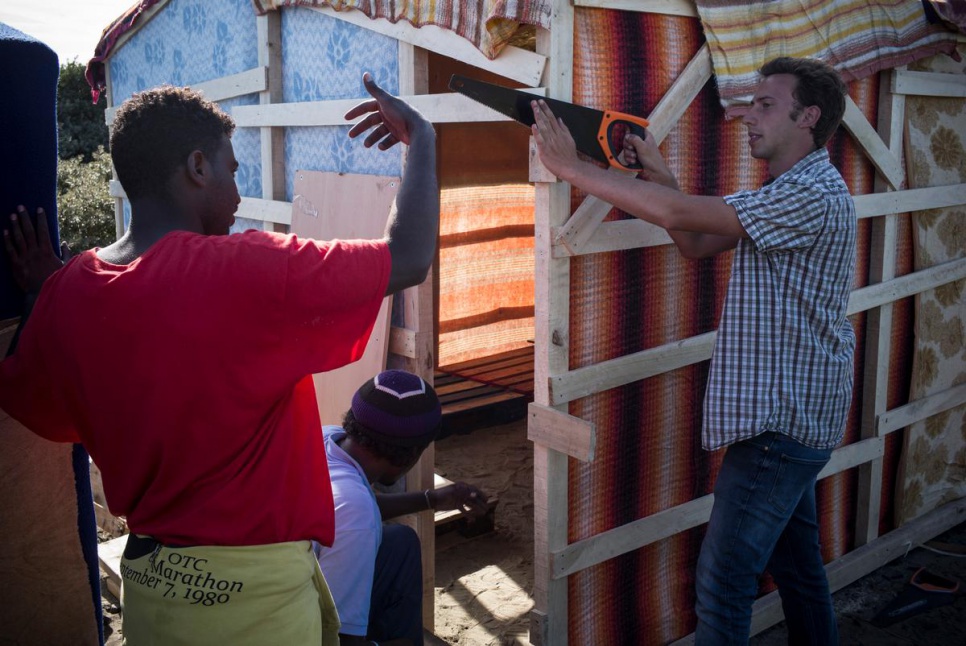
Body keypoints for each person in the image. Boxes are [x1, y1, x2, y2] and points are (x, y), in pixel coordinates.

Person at [0, 72, 439, 646]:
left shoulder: (72, 293)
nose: (237, 191)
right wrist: (423, 140)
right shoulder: (243, 272)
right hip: (255, 609)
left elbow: (42, 405)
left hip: (153, 597)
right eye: (233, 170)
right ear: (198, 167)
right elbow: (407, 258)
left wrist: (41, 296)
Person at [531, 57, 855, 644]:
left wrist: (568, 167)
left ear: (808, 117)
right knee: (798, 569)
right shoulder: (790, 189)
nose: (746, 117)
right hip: (798, 413)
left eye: (765, 105)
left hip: (780, 424)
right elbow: (698, 242)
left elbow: (684, 219)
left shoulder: (810, 195)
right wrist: (657, 174)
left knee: (723, 583)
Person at [318, 369, 488, 646]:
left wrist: (432, 499)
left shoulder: (328, 439)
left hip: (271, 591)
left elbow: (353, 512)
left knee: (399, 541)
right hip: (295, 626)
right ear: (411, 455)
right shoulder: (355, 512)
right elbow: (336, 637)